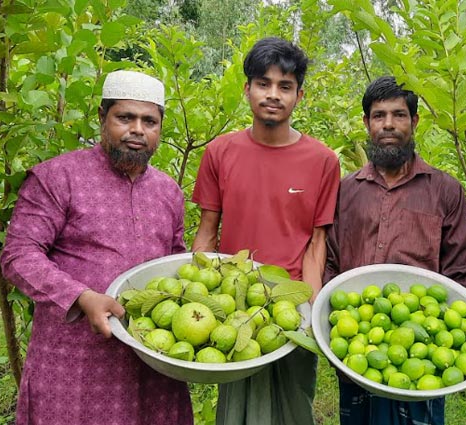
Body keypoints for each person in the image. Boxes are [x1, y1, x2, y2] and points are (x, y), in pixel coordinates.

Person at [0, 70, 193, 424]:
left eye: (149, 121)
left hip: (151, 353)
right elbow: (18, 254)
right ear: (102, 118)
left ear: (160, 129)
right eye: (125, 117)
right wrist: (82, 297)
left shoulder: (169, 192)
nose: (137, 129)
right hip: (75, 355)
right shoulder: (57, 177)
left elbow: (174, 262)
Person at [191, 37, 341, 425]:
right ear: (247, 89)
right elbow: (207, 232)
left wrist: (311, 314)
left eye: (285, 86)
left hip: (291, 307)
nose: (273, 95)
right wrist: (200, 294)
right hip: (232, 302)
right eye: (263, 83)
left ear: (299, 95)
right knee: (236, 410)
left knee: (294, 405)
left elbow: (316, 244)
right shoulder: (219, 153)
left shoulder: (322, 161)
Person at [324, 76, 466, 425]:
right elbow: (331, 261)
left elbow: (460, 268)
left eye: (399, 114)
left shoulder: (445, 190)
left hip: (424, 345)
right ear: (366, 123)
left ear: (415, 121)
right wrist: (325, 320)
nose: (389, 125)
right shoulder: (345, 191)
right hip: (357, 340)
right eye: (379, 116)